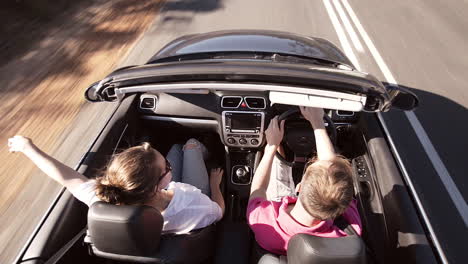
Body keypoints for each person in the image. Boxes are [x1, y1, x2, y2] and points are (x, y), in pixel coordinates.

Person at [8, 136, 225, 234]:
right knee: (190, 145)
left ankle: (181, 150)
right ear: (155, 186)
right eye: (167, 167)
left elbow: (67, 177)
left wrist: (27, 148)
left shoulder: (106, 198)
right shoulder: (191, 204)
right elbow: (219, 211)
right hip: (190, 192)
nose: (169, 167)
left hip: (165, 194)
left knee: (177, 148)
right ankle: (205, 149)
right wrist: (215, 185)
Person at [247, 106, 362, 255]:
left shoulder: (264, 221)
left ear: (299, 187)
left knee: (277, 163)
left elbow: (258, 190)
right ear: (343, 205)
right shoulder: (349, 231)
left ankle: (279, 149)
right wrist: (318, 124)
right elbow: (334, 169)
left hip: (282, 209)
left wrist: (272, 146)